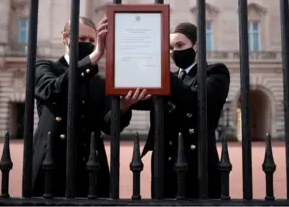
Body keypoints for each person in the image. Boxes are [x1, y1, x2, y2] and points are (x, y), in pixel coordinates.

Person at [32, 16, 150, 197]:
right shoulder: (45, 67)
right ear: (65, 38)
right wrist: (94, 56)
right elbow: (53, 90)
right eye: (81, 39)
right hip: (51, 160)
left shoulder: (98, 82)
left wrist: (123, 107)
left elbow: (108, 126)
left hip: (90, 164)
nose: (86, 43)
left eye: (91, 40)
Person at [132, 22, 230, 198]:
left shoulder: (215, 72)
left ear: (196, 45)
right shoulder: (168, 78)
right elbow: (142, 99)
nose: (174, 52)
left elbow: (195, 101)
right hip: (164, 164)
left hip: (197, 163)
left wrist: (162, 72)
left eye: (180, 45)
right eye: (170, 47)